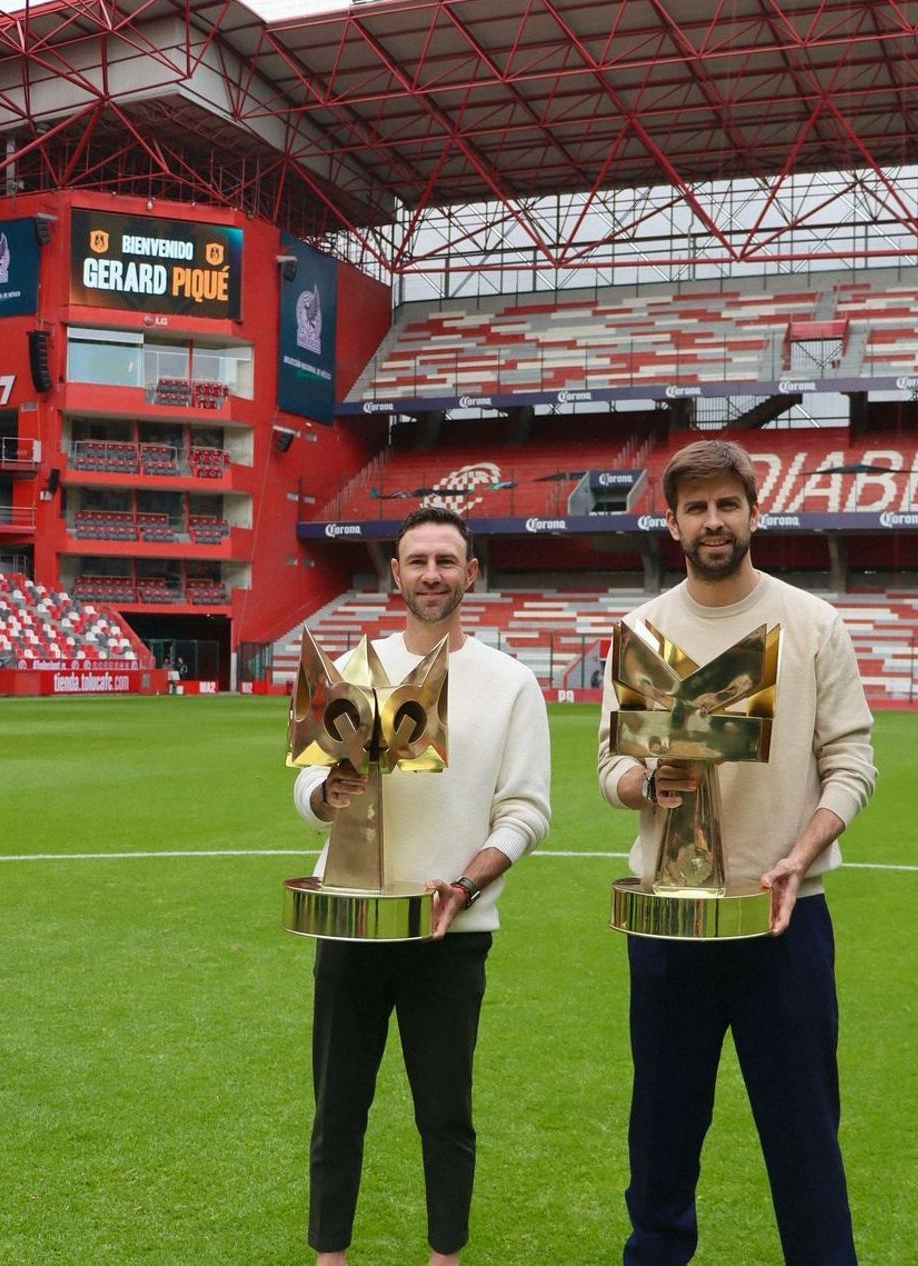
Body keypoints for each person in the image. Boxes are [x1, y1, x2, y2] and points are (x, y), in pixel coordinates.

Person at [597, 439, 877, 1266]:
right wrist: (646, 783)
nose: (712, 521)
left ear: (754, 512)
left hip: (785, 921)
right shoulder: (640, 629)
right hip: (670, 925)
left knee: (803, 1139)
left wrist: (803, 849)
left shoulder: (812, 622)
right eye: (696, 507)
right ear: (673, 522)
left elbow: (852, 763)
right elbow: (610, 765)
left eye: (727, 504)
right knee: (661, 1137)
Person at [293, 506, 551, 1266]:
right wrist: (325, 791)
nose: (431, 574)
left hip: (449, 933)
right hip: (352, 925)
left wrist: (467, 885)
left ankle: (445, 1257)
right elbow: (307, 780)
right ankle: (328, 1256)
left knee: (446, 1115)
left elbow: (526, 811)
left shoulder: (509, 684)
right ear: (395, 574)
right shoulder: (351, 672)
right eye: (418, 560)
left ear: (470, 574)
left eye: (447, 560)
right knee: (338, 1109)